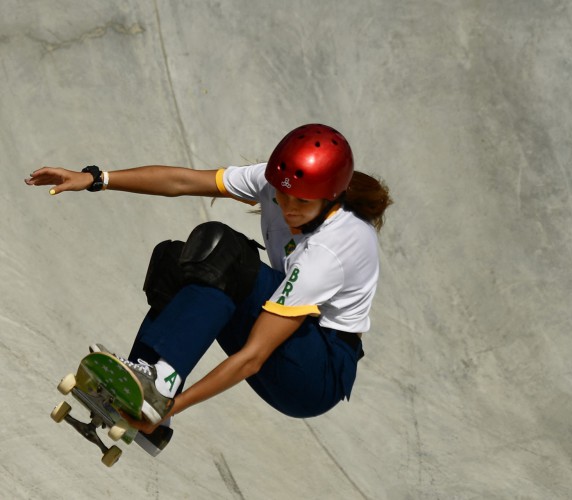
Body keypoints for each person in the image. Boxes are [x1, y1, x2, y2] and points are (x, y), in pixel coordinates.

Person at [26, 123, 392, 439]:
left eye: (301, 202)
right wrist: (96, 178)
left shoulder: (333, 248)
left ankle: (161, 396)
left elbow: (253, 357)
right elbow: (183, 181)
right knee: (177, 260)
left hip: (314, 374)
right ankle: (138, 385)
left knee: (225, 251)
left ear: (331, 197)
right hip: (293, 348)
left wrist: (174, 408)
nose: (288, 208)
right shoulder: (273, 182)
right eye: (281, 197)